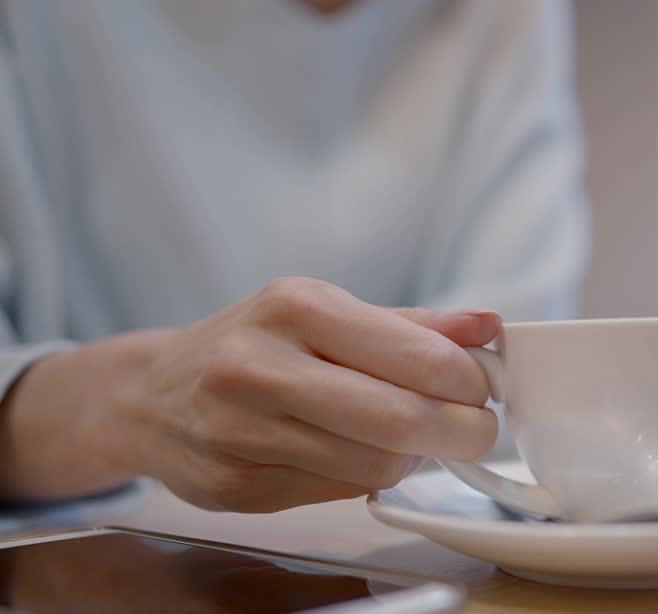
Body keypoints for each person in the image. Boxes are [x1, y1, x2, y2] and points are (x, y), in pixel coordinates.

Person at [0, 0, 588, 512]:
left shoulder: (506, 13)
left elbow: (512, 372)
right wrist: (135, 402)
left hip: (406, 566)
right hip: (71, 564)